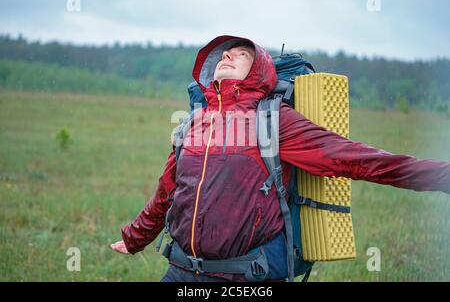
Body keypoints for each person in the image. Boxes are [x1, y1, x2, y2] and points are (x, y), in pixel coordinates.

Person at [111, 35, 450, 282]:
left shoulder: (273, 120)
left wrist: (440, 175)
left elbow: (354, 158)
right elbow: (167, 193)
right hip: (181, 272)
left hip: (248, 276)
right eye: (223, 54)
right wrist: (134, 238)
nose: (227, 56)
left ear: (258, 70)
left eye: (240, 54)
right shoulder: (192, 123)